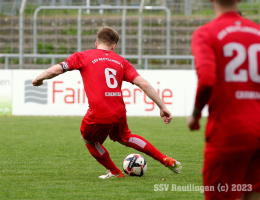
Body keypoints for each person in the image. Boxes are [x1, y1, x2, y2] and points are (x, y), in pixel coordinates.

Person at [32, 26, 182, 179]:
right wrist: (162, 107)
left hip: (99, 113)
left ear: (96, 43)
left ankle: (116, 172)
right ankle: (165, 159)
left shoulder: (84, 56)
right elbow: (144, 84)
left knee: (89, 140)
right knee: (126, 137)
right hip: (119, 112)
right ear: (114, 46)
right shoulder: (122, 62)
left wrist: (39, 78)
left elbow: (54, 70)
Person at [187, 0, 260, 199]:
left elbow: (208, 80)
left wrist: (195, 114)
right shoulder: (257, 32)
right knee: (253, 192)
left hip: (229, 130)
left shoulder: (206, 33)